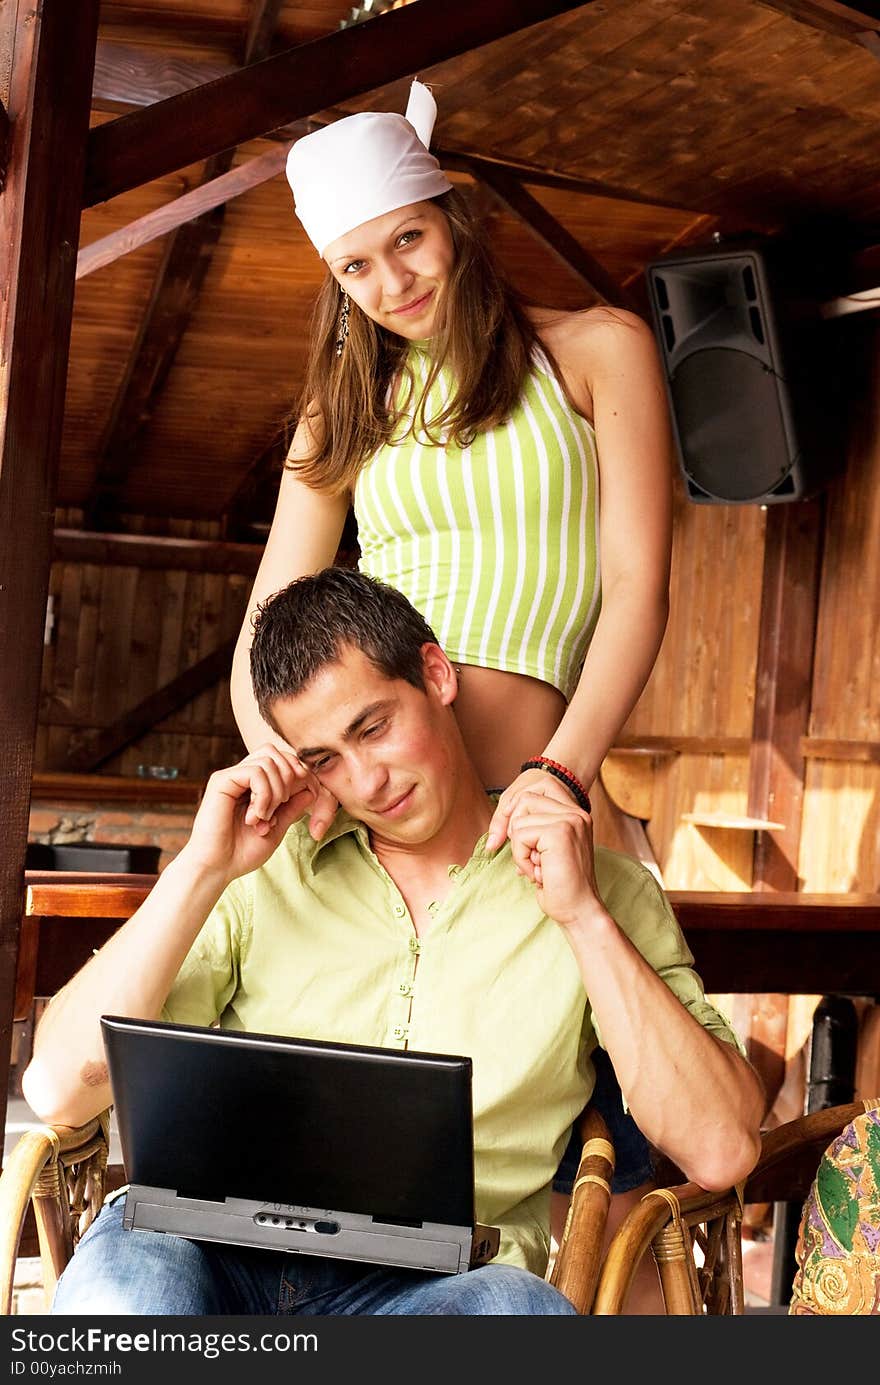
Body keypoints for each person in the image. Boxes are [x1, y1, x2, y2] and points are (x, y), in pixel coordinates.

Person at [24, 569, 764, 1318]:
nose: (367, 780)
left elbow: (721, 1149)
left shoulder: (603, 888)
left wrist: (582, 918)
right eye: (324, 760)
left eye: (373, 727)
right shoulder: (258, 871)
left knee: (516, 1313)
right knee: (125, 1292)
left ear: (436, 674)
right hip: (201, 1248)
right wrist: (202, 867)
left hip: (440, 1288)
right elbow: (57, 1087)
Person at [228, 80, 676, 1277]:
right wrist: (281, 753)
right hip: (376, 820)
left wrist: (557, 773)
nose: (391, 285)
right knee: (356, 1099)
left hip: (539, 805)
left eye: (407, 241)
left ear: (455, 212)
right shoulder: (346, 405)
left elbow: (636, 589)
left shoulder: (596, 350)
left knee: (633, 1158)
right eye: (356, 268)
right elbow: (270, 613)